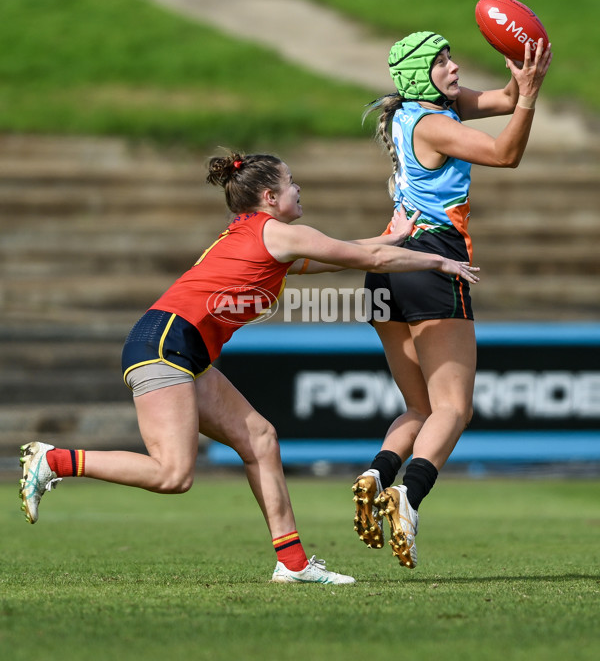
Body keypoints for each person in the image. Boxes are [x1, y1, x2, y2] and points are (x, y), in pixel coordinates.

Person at [20, 150, 479, 584]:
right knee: (173, 474)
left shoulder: (257, 234)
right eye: (291, 182)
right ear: (270, 198)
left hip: (177, 345)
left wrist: (392, 238)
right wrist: (438, 259)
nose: (299, 188)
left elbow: (334, 260)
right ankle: (54, 460)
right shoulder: (274, 231)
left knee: (260, 439)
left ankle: (293, 564)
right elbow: (366, 259)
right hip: (165, 344)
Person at [352, 31, 552, 569]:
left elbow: (502, 100)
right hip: (431, 263)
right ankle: (408, 499)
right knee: (454, 409)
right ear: (421, 75)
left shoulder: (418, 110)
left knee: (419, 408)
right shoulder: (436, 124)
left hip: (385, 268)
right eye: (442, 62)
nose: (455, 66)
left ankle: (376, 476)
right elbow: (506, 153)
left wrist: (523, 66)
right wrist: (531, 98)